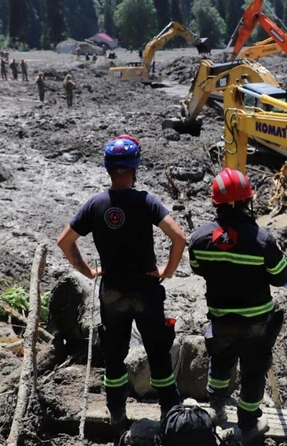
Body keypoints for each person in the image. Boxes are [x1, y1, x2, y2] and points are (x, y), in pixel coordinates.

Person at [57, 136, 186, 428]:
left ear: (108, 168)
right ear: (135, 167)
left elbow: (64, 241)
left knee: (114, 357)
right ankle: (170, 414)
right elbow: (179, 237)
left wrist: (87, 270)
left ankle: (117, 415)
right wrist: (167, 269)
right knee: (158, 353)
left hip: (112, 292)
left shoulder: (95, 204)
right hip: (146, 290)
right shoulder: (146, 202)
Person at [187, 168, 287, 444]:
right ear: (247, 201)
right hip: (256, 323)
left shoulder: (200, 239)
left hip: (221, 319)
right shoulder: (263, 240)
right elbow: (281, 278)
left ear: (215, 202)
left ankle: (216, 408)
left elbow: (197, 268)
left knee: (221, 362)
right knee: (254, 369)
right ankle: (249, 422)